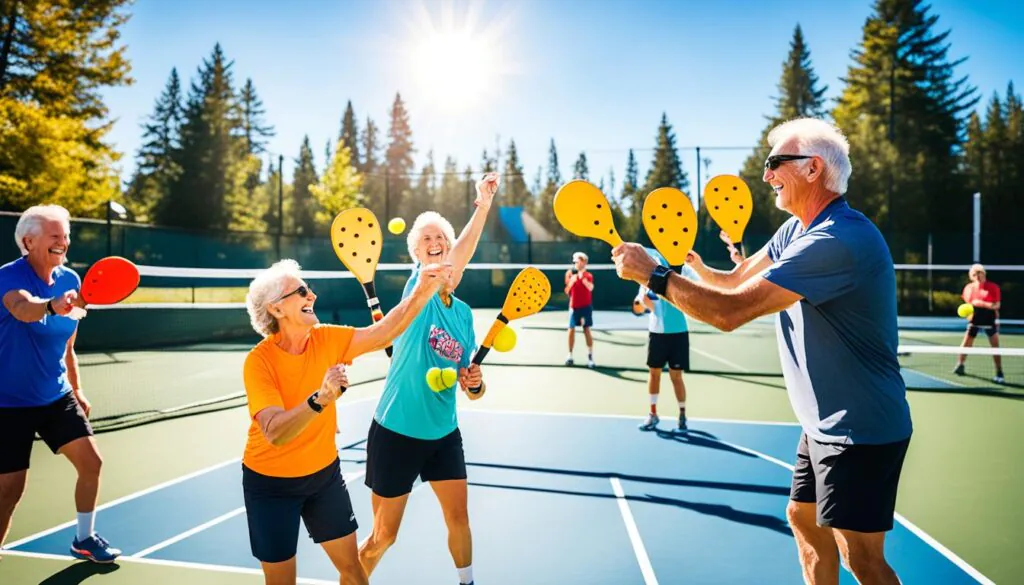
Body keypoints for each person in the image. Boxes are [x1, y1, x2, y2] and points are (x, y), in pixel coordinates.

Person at [612, 118, 912, 585]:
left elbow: (731, 312)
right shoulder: (797, 230)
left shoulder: (836, 240)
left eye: (775, 163)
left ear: (813, 169)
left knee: (862, 559)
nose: (767, 175)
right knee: (803, 520)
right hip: (822, 424)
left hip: (860, 430)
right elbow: (733, 281)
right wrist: (690, 267)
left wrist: (653, 275)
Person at [242, 257, 452, 585]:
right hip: (270, 485)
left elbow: (383, 333)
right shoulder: (259, 362)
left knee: (353, 571)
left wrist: (424, 289)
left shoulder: (326, 339)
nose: (311, 295)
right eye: (300, 291)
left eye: (308, 289)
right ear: (277, 309)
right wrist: (320, 399)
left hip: (323, 476)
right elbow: (275, 432)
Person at [358, 174, 498, 585]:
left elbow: (471, 387)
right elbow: (458, 257)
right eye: (426, 241)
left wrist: (473, 381)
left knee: (459, 518)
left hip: (443, 434)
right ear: (417, 255)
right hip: (397, 431)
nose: (435, 243)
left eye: (441, 237)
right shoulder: (416, 289)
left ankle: (466, 582)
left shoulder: (465, 314)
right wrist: (484, 206)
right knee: (384, 536)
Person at [0, 205, 121, 563]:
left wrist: (77, 388)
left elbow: (67, 345)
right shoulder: (8, 277)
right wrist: (52, 306)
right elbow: (23, 309)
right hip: (7, 402)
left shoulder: (71, 280)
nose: (63, 242)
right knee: (9, 491)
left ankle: (84, 539)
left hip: (56, 394)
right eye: (55, 235)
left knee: (91, 463)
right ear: (28, 241)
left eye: (65, 235)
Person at [632, 248, 698, 432]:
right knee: (654, 374)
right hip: (656, 334)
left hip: (678, 332)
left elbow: (698, 291)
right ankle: (652, 414)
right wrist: (644, 303)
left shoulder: (683, 272)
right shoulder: (648, 279)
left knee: (676, 377)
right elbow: (638, 307)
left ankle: (682, 415)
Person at [954, 263, 1004, 383]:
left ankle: (999, 372)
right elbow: (968, 305)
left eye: (979, 273)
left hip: (989, 320)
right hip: (975, 320)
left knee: (995, 348)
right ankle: (960, 365)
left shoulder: (993, 287)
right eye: (974, 274)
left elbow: (997, 305)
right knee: (966, 344)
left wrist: (983, 304)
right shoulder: (968, 288)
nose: (977, 276)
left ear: (984, 274)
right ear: (971, 276)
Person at [564, 251, 596, 368]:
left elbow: (591, 288)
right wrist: (572, 281)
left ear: (584, 262)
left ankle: (590, 357)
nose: (576, 263)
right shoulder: (569, 274)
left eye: (578, 261)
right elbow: (567, 291)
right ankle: (570, 355)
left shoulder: (588, 275)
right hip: (574, 308)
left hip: (586, 307)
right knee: (571, 329)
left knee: (586, 329)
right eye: (575, 261)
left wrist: (583, 279)